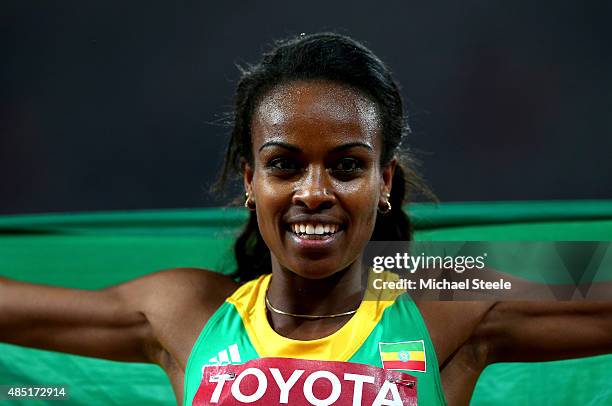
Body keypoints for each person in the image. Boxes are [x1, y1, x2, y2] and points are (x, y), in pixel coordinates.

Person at [1, 32, 611, 405]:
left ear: (384, 183)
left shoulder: (434, 299)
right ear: (251, 180)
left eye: (347, 167)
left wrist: (427, 268)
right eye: (285, 165)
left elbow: (592, 277)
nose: (313, 192)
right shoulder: (188, 312)